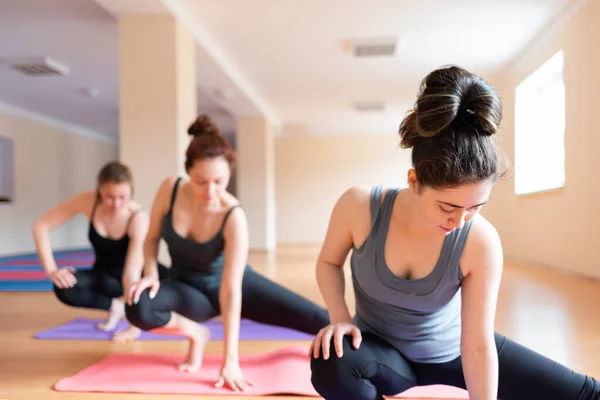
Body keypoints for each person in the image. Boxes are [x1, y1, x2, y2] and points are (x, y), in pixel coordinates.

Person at [309, 66, 600, 400]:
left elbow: (477, 344)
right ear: (414, 181)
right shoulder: (359, 206)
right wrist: (340, 317)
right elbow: (328, 263)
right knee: (331, 360)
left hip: (455, 352)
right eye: (447, 207)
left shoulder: (480, 240)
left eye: (476, 207)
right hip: (381, 353)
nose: (460, 221)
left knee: (585, 394)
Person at [124, 115, 330, 392]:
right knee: (138, 305)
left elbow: (231, 291)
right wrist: (150, 274)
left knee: (323, 321)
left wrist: (230, 359)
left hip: (235, 285)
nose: (211, 191)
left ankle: (388, 344)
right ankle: (197, 333)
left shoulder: (233, 215)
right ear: (188, 171)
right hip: (188, 290)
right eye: (201, 181)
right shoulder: (169, 189)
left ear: (229, 175)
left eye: (219, 181)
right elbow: (151, 239)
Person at [32, 161, 168, 342]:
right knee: (64, 288)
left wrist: (134, 326)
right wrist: (51, 270)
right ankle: (115, 307)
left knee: (164, 297)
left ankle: (132, 308)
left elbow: (132, 274)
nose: (117, 204)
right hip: (104, 276)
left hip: (136, 277)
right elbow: (41, 226)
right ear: (99, 191)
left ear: (131, 192)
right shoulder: (88, 201)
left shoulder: (138, 218)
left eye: (123, 197)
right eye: (110, 197)